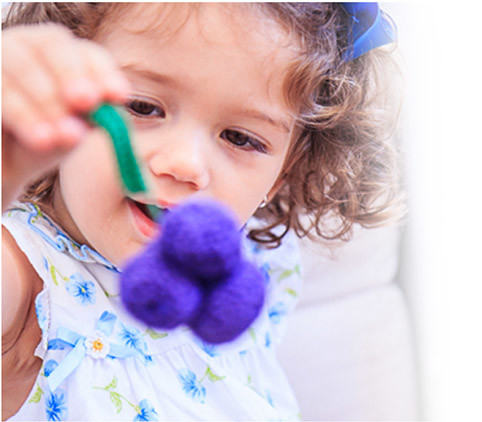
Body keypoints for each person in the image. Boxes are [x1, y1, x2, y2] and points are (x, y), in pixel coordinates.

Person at [2, 3, 402, 421]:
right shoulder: (26, 283)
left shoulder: (251, 269)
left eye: (239, 138)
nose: (186, 164)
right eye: (142, 107)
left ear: (282, 174)